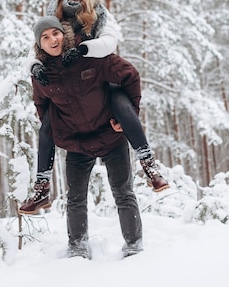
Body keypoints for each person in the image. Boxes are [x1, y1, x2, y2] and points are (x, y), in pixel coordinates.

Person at [19, 0, 169, 215]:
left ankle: (149, 165)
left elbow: (110, 42)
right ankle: (42, 186)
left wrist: (84, 50)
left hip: (100, 73)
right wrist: (34, 66)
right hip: (69, 78)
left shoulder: (99, 12)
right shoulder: (53, 13)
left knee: (122, 105)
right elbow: (39, 42)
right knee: (47, 124)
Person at [29, 16, 145, 258]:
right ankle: (77, 246)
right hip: (77, 143)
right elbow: (42, 105)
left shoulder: (89, 57)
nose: (53, 40)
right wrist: (60, 128)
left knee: (123, 192)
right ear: (40, 44)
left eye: (56, 33)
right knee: (75, 197)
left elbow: (130, 75)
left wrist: (129, 114)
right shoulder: (42, 75)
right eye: (45, 37)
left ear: (64, 34)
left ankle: (134, 245)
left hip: (110, 136)